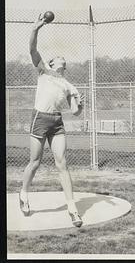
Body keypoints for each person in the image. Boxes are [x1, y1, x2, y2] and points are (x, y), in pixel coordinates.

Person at [19, 14, 83, 227]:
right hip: (39, 118)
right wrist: (36, 28)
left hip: (56, 121)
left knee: (62, 164)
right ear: (52, 63)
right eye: (58, 58)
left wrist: (80, 104)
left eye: (63, 60)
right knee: (35, 162)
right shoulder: (43, 70)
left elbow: (75, 113)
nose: (61, 59)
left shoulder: (68, 85)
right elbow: (32, 49)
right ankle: (24, 194)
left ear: (64, 66)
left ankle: (73, 209)